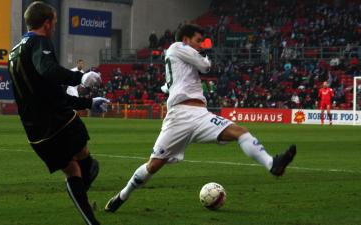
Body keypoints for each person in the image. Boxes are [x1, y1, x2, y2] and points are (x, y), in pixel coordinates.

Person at [104, 24, 296, 213]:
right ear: (186, 40)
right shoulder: (177, 47)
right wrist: (203, 56)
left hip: (201, 115)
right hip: (179, 116)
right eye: (198, 41)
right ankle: (123, 195)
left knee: (240, 131)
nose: (201, 45)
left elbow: (172, 83)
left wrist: (171, 87)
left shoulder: (183, 60)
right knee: (153, 165)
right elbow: (205, 66)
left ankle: (272, 164)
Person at [7, 2, 108, 224]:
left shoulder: (14, 53)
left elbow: (47, 94)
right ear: (47, 23)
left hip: (35, 132)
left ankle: (89, 214)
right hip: (59, 122)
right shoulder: (40, 42)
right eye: (53, 22)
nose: (54, 27)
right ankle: (80, 191)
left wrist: (88, 102)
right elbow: (48, 71)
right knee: (86, 165)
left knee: (73, 170)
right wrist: (80, 78)